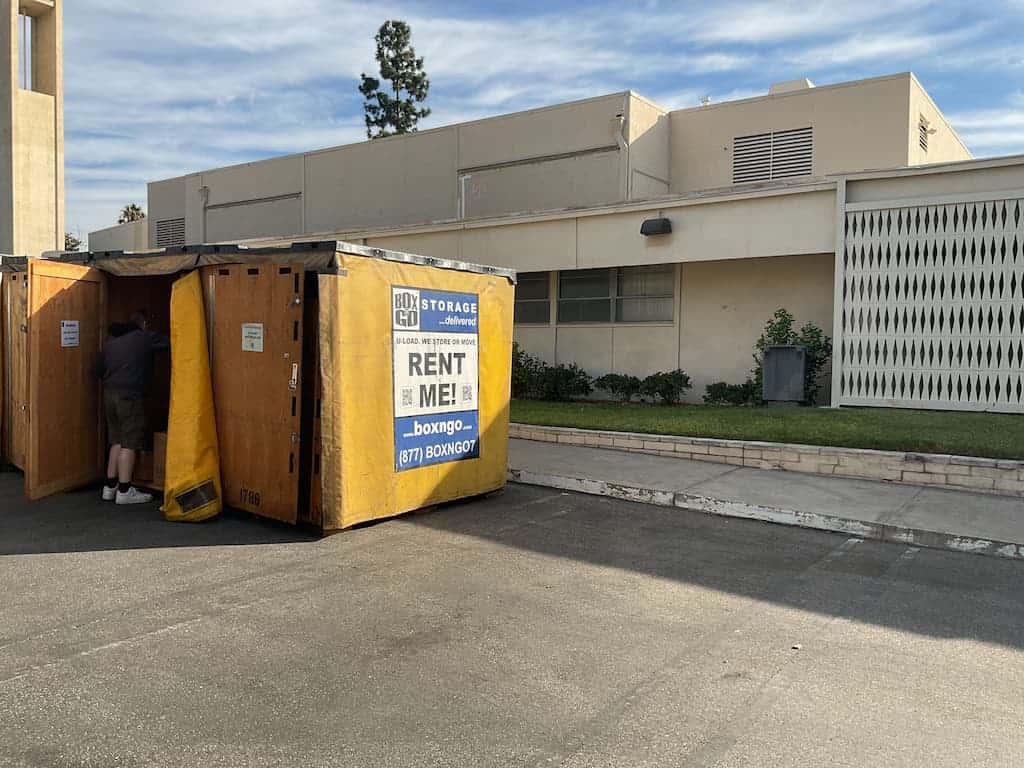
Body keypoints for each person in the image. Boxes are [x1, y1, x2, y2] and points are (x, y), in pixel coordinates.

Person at [95, 309, 169, 504]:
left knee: (116, 440)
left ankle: (109, 487)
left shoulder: (111, 343)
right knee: (130, 442)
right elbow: (171, 341)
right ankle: (125, 490)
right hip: (129, 397)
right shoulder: (143, 338)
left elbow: (97, 369)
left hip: (109, 395)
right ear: (144, 324)